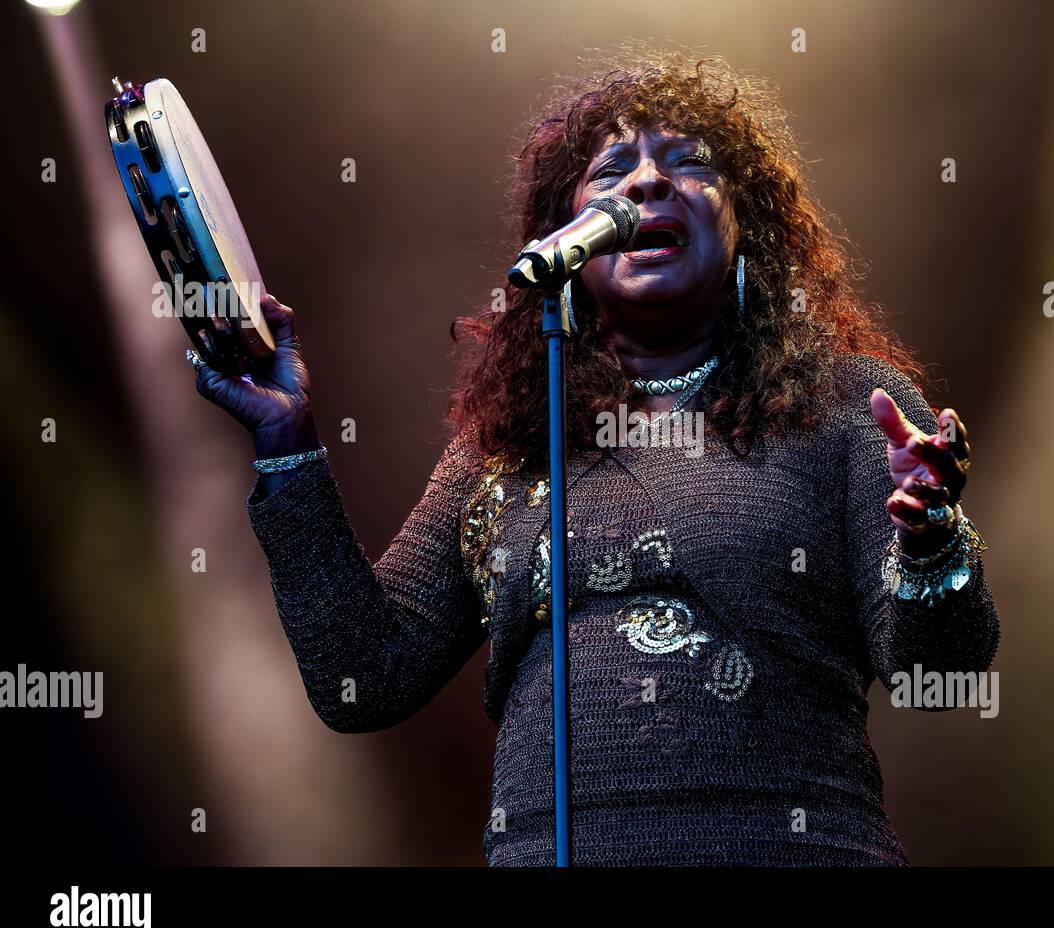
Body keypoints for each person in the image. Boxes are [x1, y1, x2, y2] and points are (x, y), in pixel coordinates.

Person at [189, 50, 1000, 866]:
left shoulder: (849, 407)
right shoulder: (505, 450)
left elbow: (945, 672)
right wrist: (287, 448)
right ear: (564, 242)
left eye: (690, 164)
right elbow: (362, 676)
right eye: (613, 168)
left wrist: (930, 539)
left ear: (744, 224)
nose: (647, 183)